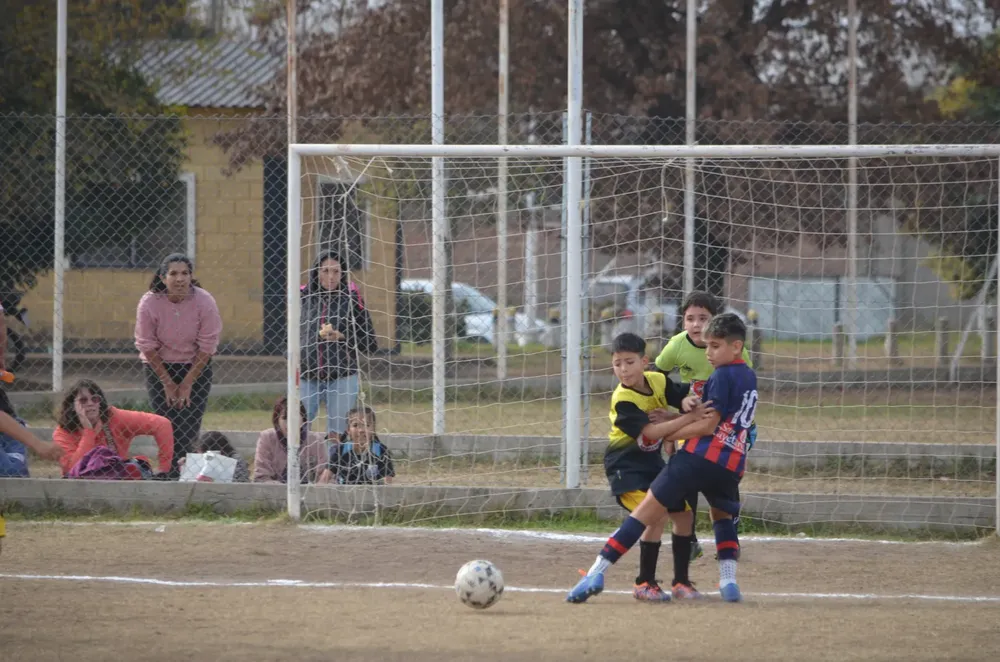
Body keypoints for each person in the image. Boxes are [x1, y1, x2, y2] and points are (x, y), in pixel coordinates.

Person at [567, 313, 757, 604]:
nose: (708, 352)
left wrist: (673, 430)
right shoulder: (749, 375)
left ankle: (598, 572)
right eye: (618, 364)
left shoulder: (713, 376)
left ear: (736, 346)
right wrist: (679, 414)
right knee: (719, 517)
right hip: (724, 462)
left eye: (714, 346)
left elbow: (703, 424)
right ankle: (727, 582)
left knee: (649, 513)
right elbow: (690, 408)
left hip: (697, 457)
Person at [654, 290, 755, 556]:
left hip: (726, 426)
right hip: (694, 421)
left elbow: (745, 389)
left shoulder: (734, 353)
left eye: (703, 318)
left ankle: (730, 536)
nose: (696, 324)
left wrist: (745, 427)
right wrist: (672, 413)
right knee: (684, 477)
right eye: (690, 318)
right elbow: (656, 378)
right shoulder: (676, 345)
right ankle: (689, 540)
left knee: (724, 482)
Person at [599, 332, 690, 602]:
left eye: (629, 362)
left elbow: (682, 397)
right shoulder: (623, 399)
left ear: (644, 362)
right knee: (656, 516)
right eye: (617, 364)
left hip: (652, 464)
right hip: (625, 468)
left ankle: (681, 583)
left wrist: (687, 405)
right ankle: (644, 583)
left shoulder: (658, 381)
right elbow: (651, 432)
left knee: (684, 514)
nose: (624, 370)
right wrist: (688, 419)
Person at [135, 253, 223, 478]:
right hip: (159, 367)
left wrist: (187, 383)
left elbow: (208, 344)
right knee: (165, 422)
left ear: (191, 277)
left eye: (185, 273)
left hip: (196, 366)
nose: (180, 279)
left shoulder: (204, 301)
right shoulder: (149, 302)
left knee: (190, 423)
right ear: (163, 278)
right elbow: (146, 344)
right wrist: (167, 381)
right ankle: (168, 471)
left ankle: (187, 473)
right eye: (173, 274)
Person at [300, 251, 378, 435]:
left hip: (342, 377)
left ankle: (335, 455)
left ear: (343, 274)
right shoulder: (302, 298)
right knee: (299, 428)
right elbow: (287, 338)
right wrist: (299, 356)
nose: (331, 276)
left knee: (338, 432)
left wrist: (343, 337)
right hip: (306, 375)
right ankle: (300, 455)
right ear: (316, 272)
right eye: (325, 271)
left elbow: (370, 343)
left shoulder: (352, 299)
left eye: (336, 271)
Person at [53, 379, 175, 477]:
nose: (90, 403)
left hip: (116, 480)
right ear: (72, 406)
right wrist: (88, 431)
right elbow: (74, 470)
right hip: (80, 486)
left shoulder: (114, 417)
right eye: (83, 400)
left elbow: (162, 424)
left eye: (95, 399)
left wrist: (163, 469)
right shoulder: (63, 432)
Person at [253, 396, 328, 483]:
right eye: (285, 418)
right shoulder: (267, 438)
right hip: (274, 489)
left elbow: (325, 476)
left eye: (294, 417)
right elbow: (261, 476)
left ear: (303, 419)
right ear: (277, 420)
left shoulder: (315, 440)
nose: (290, 423)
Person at [319, 406, 394, 485]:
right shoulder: (341, 450)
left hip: (373, 492)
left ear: (373, 429)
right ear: (348, 430)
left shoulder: (381, 451)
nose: (361, 430)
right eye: (355, 425)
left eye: (366, 425)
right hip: (344, 491)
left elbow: (387, 484)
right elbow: (323, 480)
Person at [0, 389, 63, 477]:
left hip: (9, 425)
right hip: (7, 423)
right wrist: (38, 445)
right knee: (10, 472)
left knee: (15, 474)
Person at [178, 431, 251, 483]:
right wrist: (186, 465)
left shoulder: (235, 459)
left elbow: (242, 481)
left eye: (203, 453)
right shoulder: (200, 459)